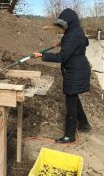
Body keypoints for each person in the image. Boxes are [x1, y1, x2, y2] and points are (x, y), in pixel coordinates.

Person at [33, 8, 91, 144]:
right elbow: (84, 42)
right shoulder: (77, 31)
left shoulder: (72, 35)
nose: (62, 28)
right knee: (74, 98)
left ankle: (70, 135)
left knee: (70, 103)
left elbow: (62, 56)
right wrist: (64, 43)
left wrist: (42, 55)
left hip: (75, 72)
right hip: (79, 69)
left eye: (64, 25)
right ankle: (84, 124)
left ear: (70, 22)